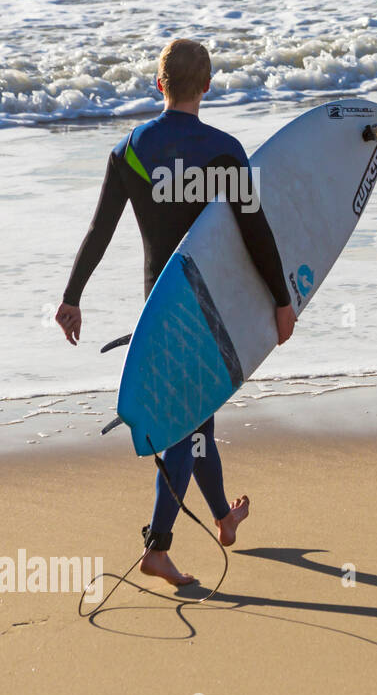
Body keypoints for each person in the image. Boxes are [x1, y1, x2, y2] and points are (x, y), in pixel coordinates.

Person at [54, 39, 296, 586]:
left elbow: (100, 231)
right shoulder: (225, 151)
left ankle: (222, 517)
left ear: (158, 84)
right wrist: (282, 301)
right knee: (187, 422)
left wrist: (72, 298)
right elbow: (256, 233)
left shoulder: (129, 151)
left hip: (159, 308)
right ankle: (157, 548)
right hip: (211, 306)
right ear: (207, 86)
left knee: (197, 415)